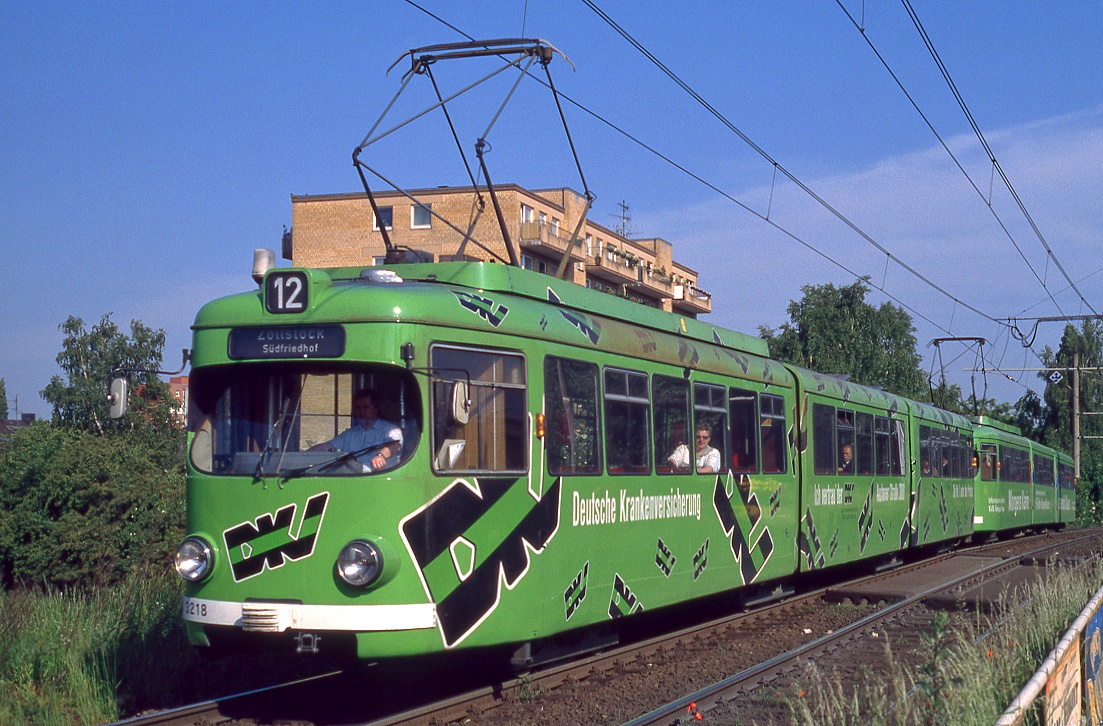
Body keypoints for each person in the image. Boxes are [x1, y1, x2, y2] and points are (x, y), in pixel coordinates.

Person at [309, 389, 402, 471]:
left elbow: (394, 445)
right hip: (352, 480)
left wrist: (381, 456)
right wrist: (302, 456)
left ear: (376, 409)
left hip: (379, 481)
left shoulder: (390, 430)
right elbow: (326, 447)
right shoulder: (349, 434)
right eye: (358, 408)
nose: (361, 411)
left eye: (365, 407)